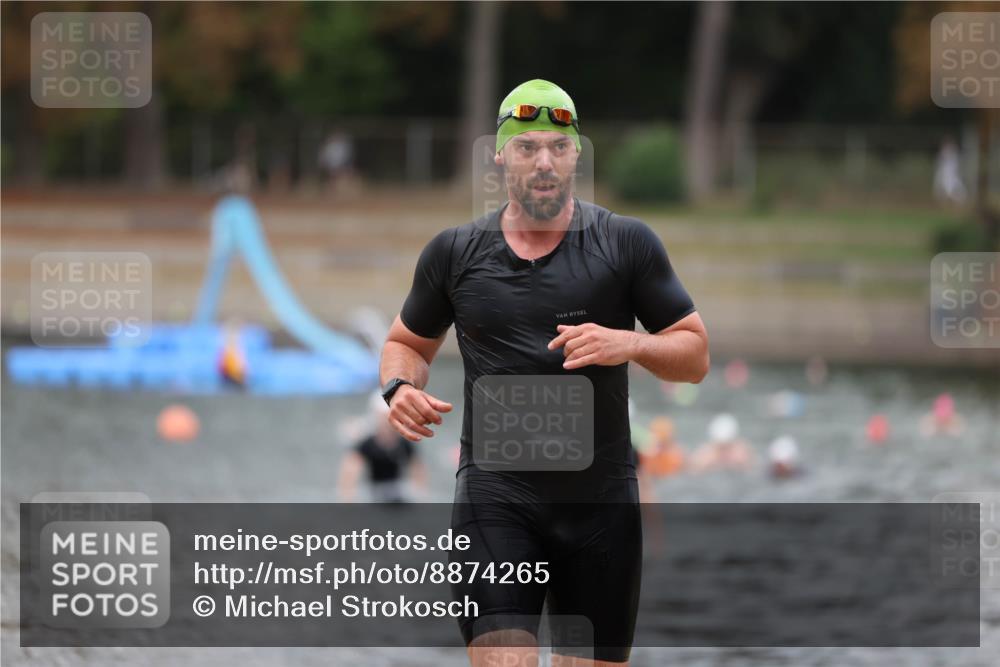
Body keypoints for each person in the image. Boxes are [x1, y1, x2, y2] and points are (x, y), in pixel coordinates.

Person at [379, 79, 709, 666]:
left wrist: (629, 343)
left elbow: (695, 356)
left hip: (601, 508)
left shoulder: (626, 244)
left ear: (577, 153)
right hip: (495, 501)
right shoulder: (455, 254)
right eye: (528, 147)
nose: (544, 163)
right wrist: (400, 386)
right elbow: (406, 343)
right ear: (500, 154)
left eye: (558, 147)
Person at [337, 392, 428, 503]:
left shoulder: (404, 443)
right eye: (382, 417)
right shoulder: (366, 444)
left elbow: (417, 470)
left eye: (389, 417)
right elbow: (350, 472)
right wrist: (347, 500)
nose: (386, 422)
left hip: (396, 492)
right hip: (375, 493)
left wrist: (420, 496)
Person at [689, 413, 754, 473]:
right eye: (721, 448)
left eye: (727, 447)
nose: (724, 454)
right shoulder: (705, 455)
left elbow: (753, 471)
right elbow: (693, 471)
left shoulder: (741, 454)